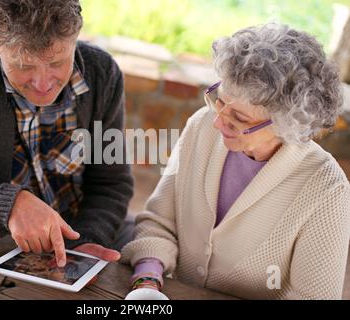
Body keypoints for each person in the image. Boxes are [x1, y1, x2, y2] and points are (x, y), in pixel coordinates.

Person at [121, 23, 350, 299]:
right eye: (220, 100)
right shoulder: (202, 127)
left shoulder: (328, 190)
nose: (218, 121)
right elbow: (159, 221)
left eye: (240, 118)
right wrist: (147, 277)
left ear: (288, 124)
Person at [0, 0, 133, 267]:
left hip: (90, 237)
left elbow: (111, 184)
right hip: (0, 251)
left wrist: (85, 241)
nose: (43, 85)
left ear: (75, 37)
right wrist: (7, 205)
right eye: (24, 66)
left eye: (56, 62)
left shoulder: (103, 74)